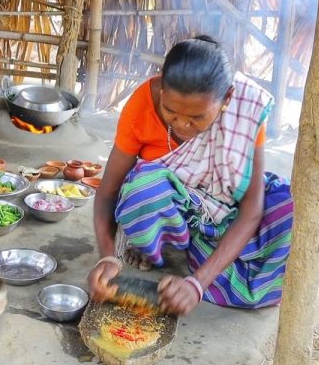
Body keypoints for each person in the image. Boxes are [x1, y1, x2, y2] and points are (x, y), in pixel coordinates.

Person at [87, 35, 294, 316]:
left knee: (288, 207)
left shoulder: (247, 108)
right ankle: (159, 246)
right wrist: (109, 256)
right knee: (143, 188)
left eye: (197, 118)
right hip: (177, 208)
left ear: (228, 99)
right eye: (170, 112)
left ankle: (201, 256)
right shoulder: (140, 107)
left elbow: (251, 209)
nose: (183, 124)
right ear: (162, 91)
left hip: (225, 209)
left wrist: (197, 284)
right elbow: (108, 192)